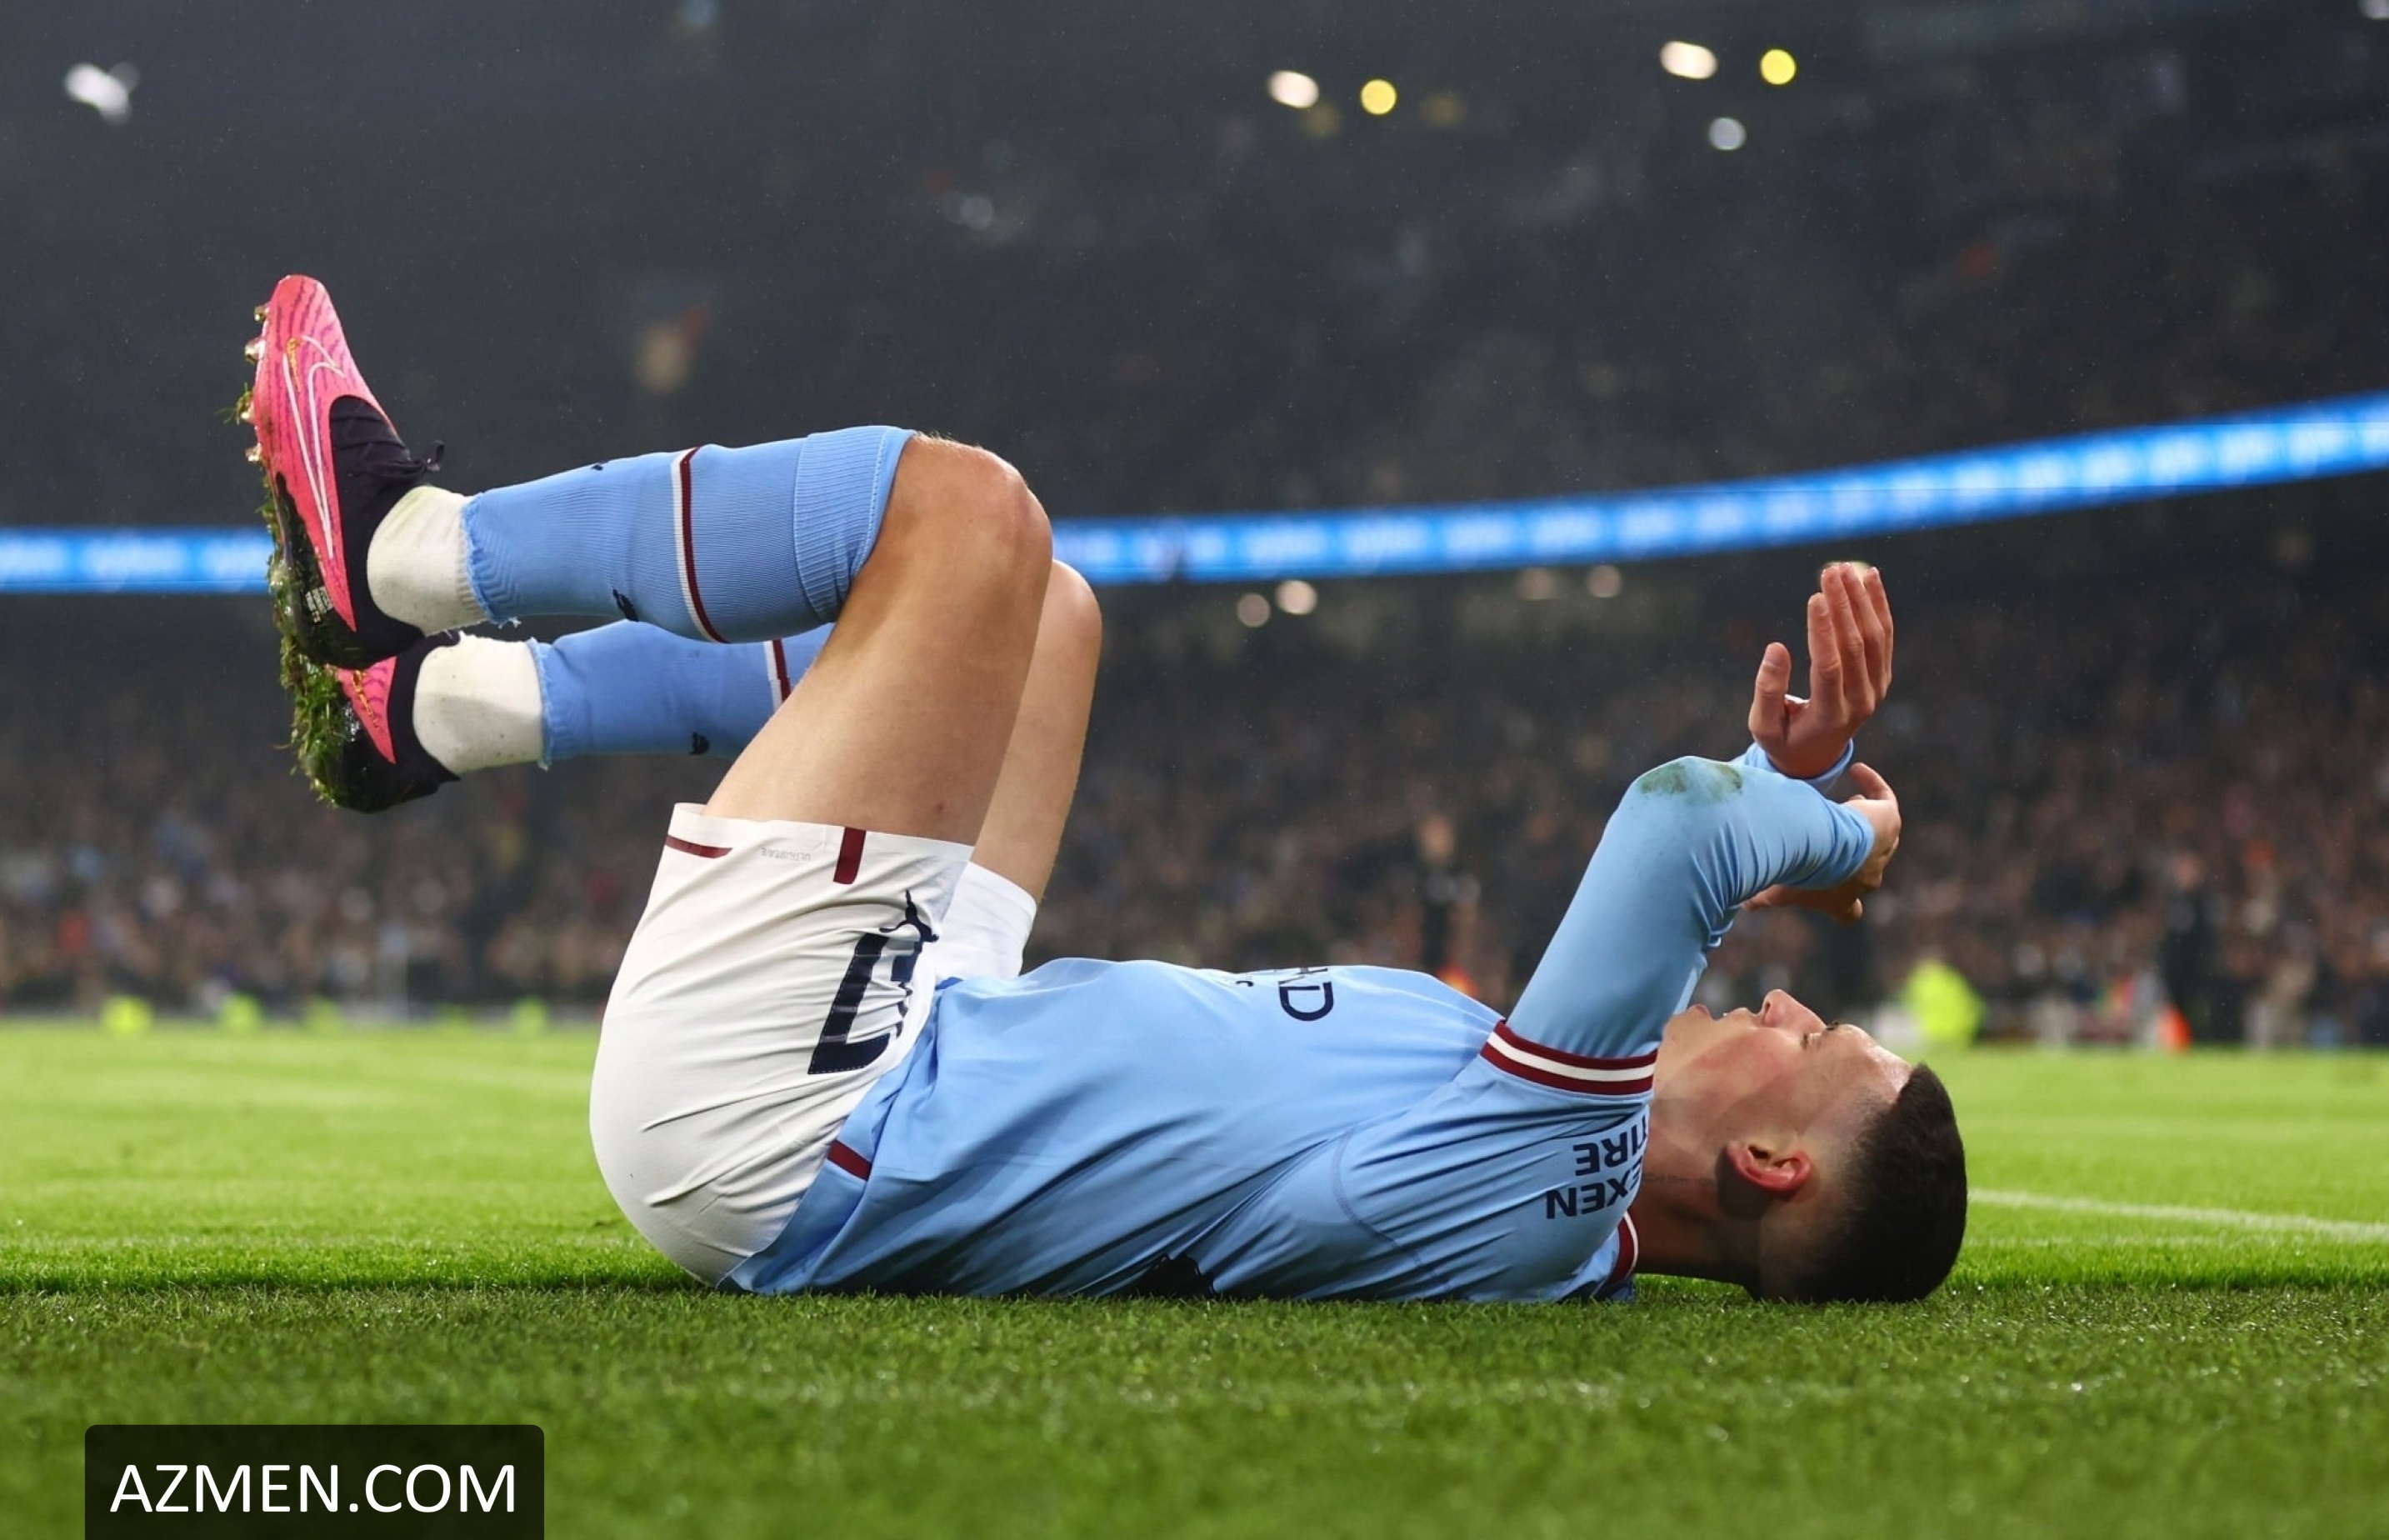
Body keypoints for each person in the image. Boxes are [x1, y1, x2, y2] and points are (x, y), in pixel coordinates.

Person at [244, 275, 1966, 1303]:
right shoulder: (1551, 1178)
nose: (1790, 1001)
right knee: (1045, 617)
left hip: (796, 1127)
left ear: (1768, 1162)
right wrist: (1789, 779)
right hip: (931, 1052)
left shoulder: (1558, 1170)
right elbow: (1698, 841)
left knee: (966, 520)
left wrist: (1853, 830)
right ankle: (441, 713)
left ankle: (403, 553)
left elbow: (1681, 830)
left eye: (1816, 1043)